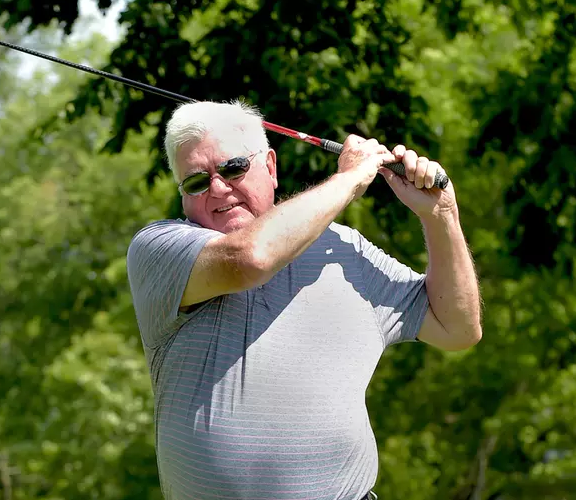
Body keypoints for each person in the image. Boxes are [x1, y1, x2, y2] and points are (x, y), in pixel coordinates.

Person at [126, 100, 482, 500]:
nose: (219, 188)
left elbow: (458, 327)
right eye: (196, 182)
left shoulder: (346, 251)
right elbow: (251, 259)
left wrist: (441, 216)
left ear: (271, 167)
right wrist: (350, 179)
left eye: (233, 168)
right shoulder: (160, 249)